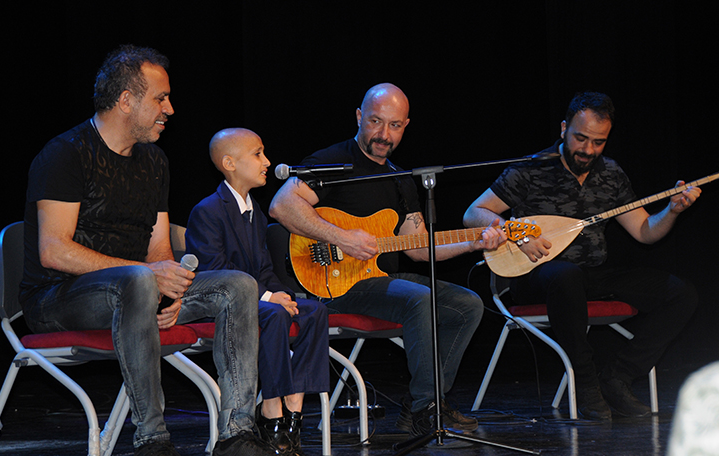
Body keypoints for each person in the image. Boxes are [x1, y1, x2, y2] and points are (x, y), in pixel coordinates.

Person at [19, 45, 277, 456]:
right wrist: (147, 279)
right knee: (137, 278)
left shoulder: (155, 161)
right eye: (160, 98)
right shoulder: (65, 154)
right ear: (126, 101)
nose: (170, 109)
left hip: (136, 289)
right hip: (58, 296)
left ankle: (236, 433)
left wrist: (167, 292)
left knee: (238, 285)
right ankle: (152, 439)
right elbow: (54, 251)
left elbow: (158, 248)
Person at [268, 83, 506, 438]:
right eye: (376, 121)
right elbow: (281, 205)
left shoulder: (400, 179)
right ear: (359, 116)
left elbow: (419, 249)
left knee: (467, 304)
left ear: (406, 125)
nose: (383, 134)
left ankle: (425, 404)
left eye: (394, 125)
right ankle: (429, 409)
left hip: (377, 279)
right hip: (332, 283)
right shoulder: (333, 162)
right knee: (418, 299)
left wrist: (476, 242)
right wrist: (343, 237)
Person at [463, 91, 701, 420]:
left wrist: (672, 211)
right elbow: (473, 212)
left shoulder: (611, 174)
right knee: (565, 276)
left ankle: (617, 377)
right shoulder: (531, 169)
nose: (588, 150)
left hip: (590, 275)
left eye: (598, 142)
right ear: (564, 128)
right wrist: (518, 234)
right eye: (581, 138)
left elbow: (645, 231)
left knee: (681, 294)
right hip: (534, 274)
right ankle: (587, 385)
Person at [185, 128, 329, 456]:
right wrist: (269, 298)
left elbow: (264, 269)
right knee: (275, 313)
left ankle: (294, 407)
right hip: (225, 305)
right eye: (258, 154)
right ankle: (272, 411)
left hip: (261, 300)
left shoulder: (256, 213)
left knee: (315, 311)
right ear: (229, 163)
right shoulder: (207, 211)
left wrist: (282, 294)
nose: (267, 161)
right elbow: (216, 273)